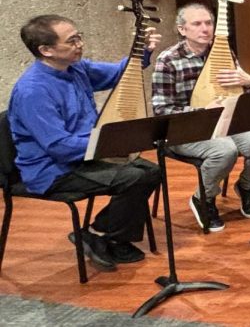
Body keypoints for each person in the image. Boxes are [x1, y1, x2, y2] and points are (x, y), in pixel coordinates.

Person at [8, 14, 162, 270]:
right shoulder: (33, 91)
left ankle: (97, 232)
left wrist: (142, 53)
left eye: (79, 37)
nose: (79, 44)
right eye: (71, 41)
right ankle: (111, 238)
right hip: (53, 170)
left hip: (85, 154)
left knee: (152, 171)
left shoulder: (75, 68)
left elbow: (117, 74)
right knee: (134, 177)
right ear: (46, 50)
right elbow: (58, 146)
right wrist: (110, 141)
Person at [152, 3, 250, 233]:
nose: (205, 29)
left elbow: (240, 96)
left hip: (225, 121)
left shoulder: (223, 53)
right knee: (224, 151)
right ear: (182, 29)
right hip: (185, 128)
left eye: (209, 23)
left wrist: (248, 82)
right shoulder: (168, 60)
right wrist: (202, 111)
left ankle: (246, 187)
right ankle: (203, 198)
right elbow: (161, 110)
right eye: (197, 24)